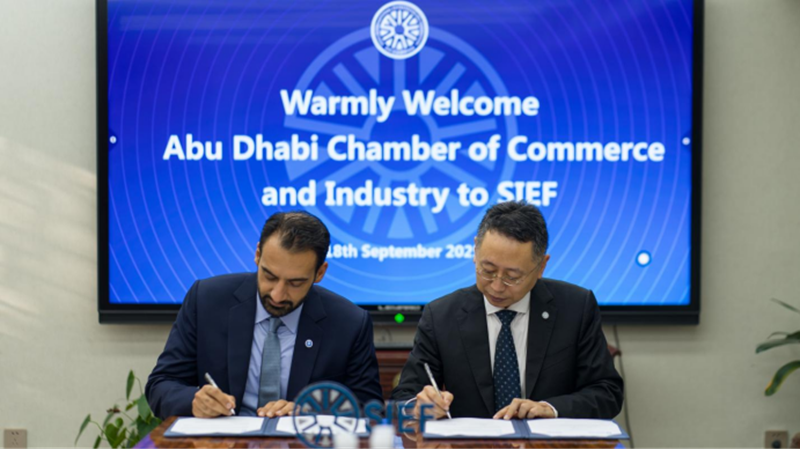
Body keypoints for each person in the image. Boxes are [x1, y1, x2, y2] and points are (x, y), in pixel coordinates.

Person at [392, 201, 624, 421]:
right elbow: (402, 398)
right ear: (475, 251)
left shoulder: (575, 307)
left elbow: (607, 393)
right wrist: (419, 406)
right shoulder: (441, 316)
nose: (497, 286)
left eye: (512, 277)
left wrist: (551, 409)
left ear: (541, 266)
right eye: (488, 270)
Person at [146, 211, 382, 419]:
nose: (278, 295)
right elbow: (161, 385)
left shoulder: (349, 323)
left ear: (320, 273)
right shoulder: (207, 300)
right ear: (257, 255)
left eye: (295, 283)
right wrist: (194, 401)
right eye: (269, 276)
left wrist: (311, 412)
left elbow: (370, 409)